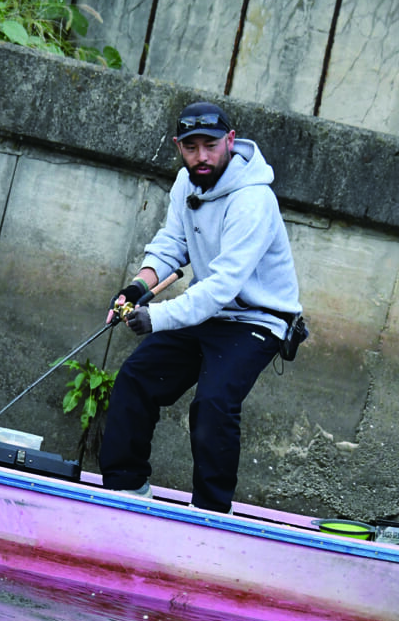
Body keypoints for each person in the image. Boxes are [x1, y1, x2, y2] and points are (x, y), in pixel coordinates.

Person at [99, 101, 301, 513]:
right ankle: (125, 491)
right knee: (136, 378)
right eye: (191, 148)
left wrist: (156, 316)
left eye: (210, 146)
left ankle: (212, 513)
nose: (201, 157)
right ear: (178, 147)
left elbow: (223, 286)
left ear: (230, 141)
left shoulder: (254, 200)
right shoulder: (184, 183)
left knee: (213, 402)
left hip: (257, 320)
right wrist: (139, 286)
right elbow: (172, 243)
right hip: (206, 312)